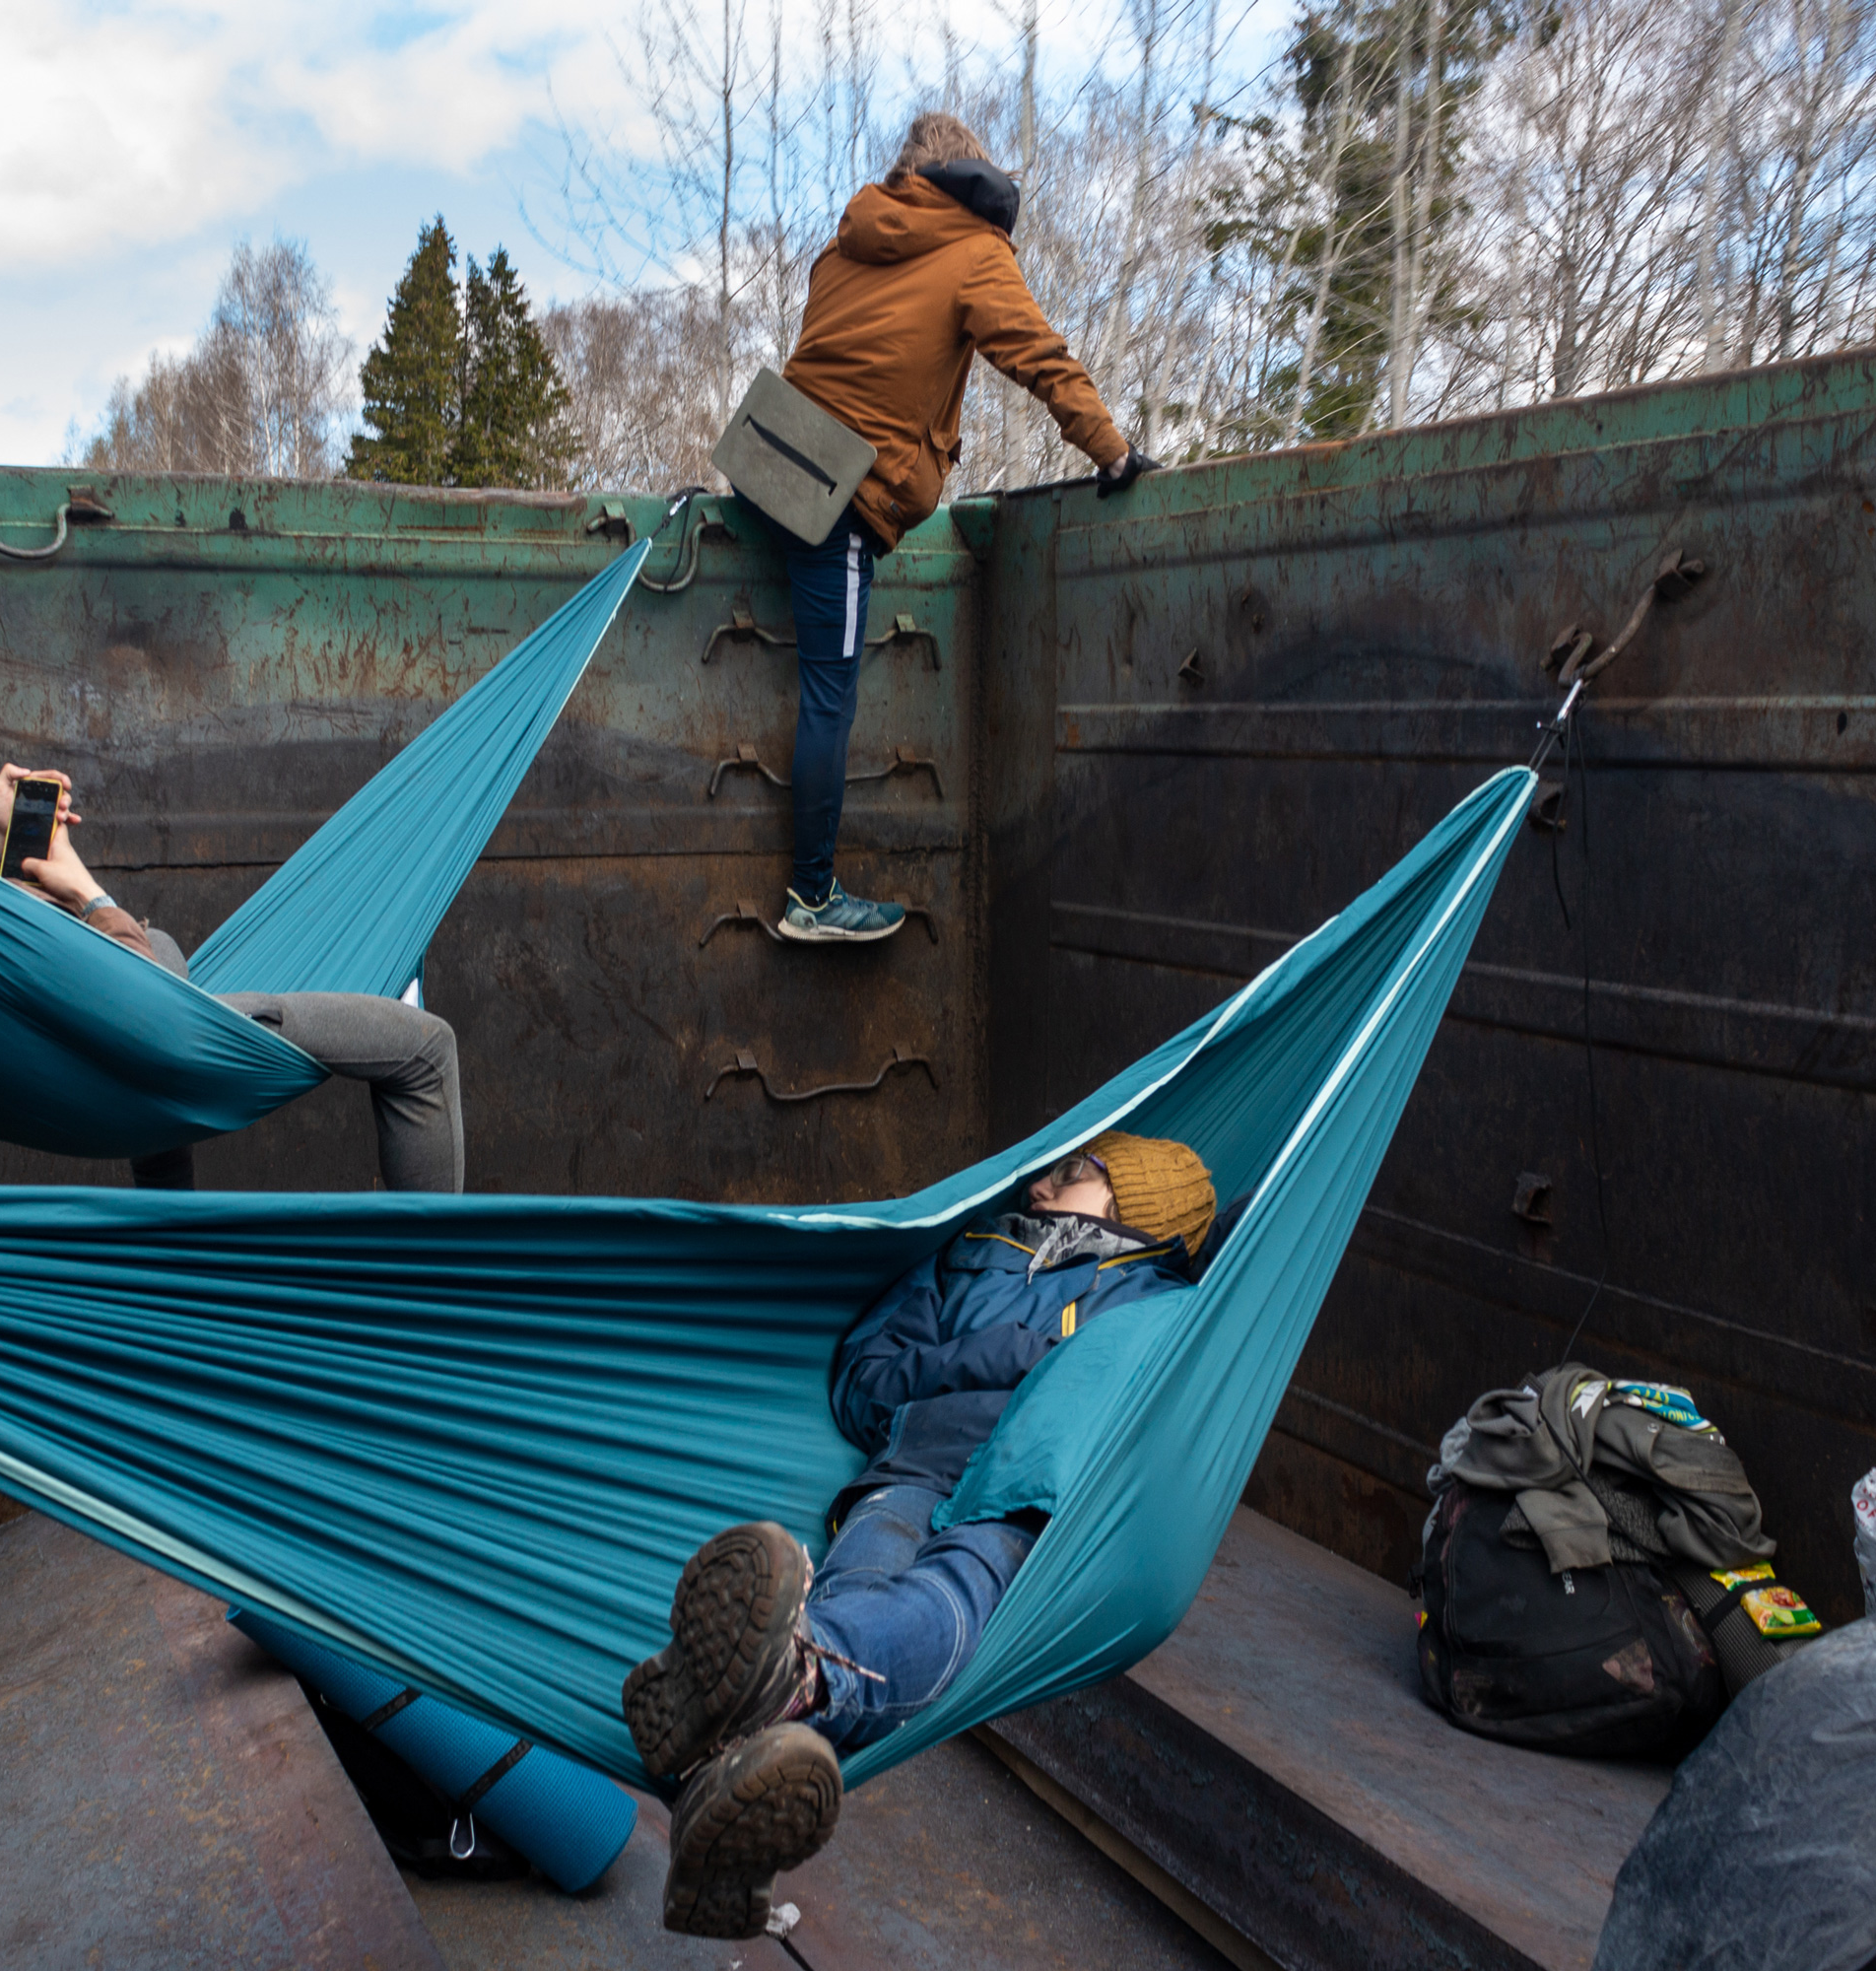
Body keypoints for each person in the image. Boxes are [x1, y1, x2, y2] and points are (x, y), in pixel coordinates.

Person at [621, 1132, 1217, 1937]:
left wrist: (977, 1360)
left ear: (1130, 1204)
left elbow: (1114, 1406)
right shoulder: (974, 1252)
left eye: (1073, 1173)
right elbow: (865, 1376)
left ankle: (759, 1707)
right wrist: (1010, 1352)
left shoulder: (1159, 1304)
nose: (1041, 1184)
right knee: (856, 1594)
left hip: (1023, 1491)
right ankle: (756, 1740)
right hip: (914, 1462)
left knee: (947, 1595)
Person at [0, 680, 463, 1192]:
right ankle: (434, 1291)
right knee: (426, 1048)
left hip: (56, 1065)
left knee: (159, 938)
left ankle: (176, 1257)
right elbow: (159, 1013)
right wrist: (88, 893)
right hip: (133, 1062)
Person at [760, 110, 1159, 945]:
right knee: (829, 696)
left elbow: (832, 362)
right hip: (843, 499)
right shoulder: (974, 252)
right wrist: (1112, 452)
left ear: (908, 173)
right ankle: (811, 899)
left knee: (816, 673)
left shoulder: (844, 245)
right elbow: (1039, 357)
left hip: (771, 464)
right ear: (971, 177)